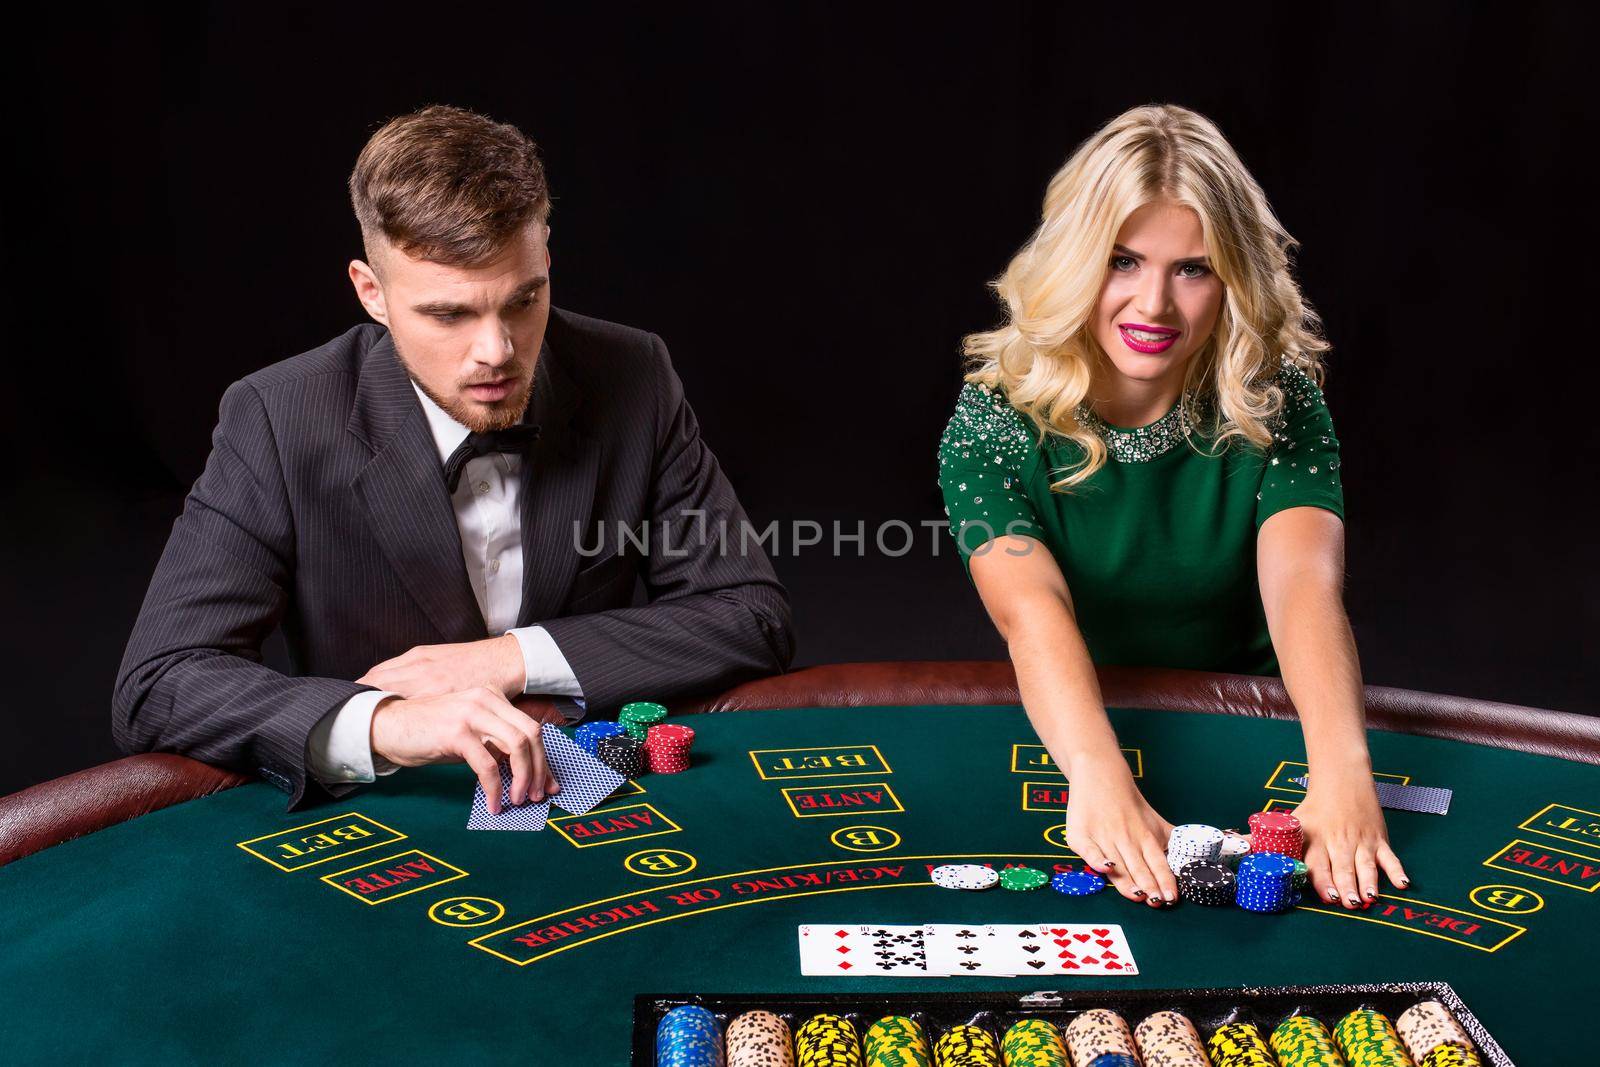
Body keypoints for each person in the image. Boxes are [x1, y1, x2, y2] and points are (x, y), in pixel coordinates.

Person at [113, 105, 793, 813]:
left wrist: (509, 657)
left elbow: (753, 615)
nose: (496, 351)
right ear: (370, 292)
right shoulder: (279, 418)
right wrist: (387, 722)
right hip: (392, 816)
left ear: (547, 256)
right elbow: (159, 681)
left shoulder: (634, 374)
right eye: (449, 314)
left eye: (523, 300)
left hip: (593, 800)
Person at [938, 104, 1406, 912]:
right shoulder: (989, 420)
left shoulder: (1279, 398)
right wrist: (1094, 770)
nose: (1153, 304)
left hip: (1256, 722)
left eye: (1193, 268)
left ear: (1234, 279)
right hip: (1083, 726)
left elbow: (1303, 584)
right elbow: (1032, 613)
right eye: (1123, 260)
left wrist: (1342, 771)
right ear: (1077, 257)